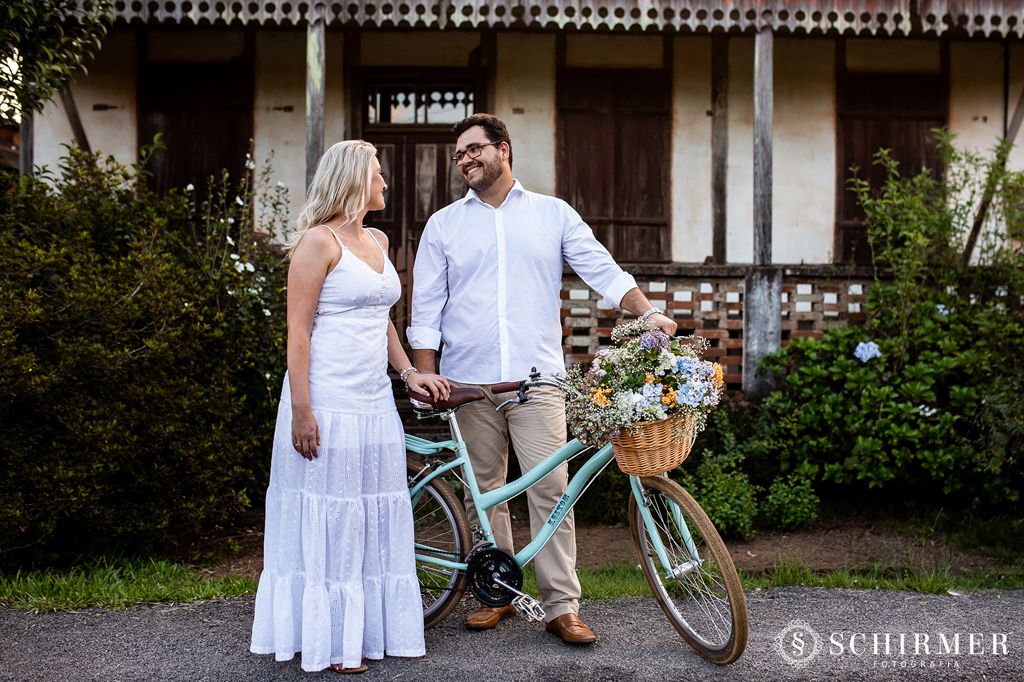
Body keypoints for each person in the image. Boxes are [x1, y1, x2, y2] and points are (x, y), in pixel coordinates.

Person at [407, 114, 676, 644]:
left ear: (503, 150)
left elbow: (602, 269)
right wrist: (427, 376)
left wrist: (647, 312)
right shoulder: (444, 225)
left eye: (474, 149)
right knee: (484, 492)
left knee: (552, 492)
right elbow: (426, 308)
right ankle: (497, 593)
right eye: (458, 154)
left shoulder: (552, 214)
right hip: (468, 381)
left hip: (538, 381)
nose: (464, 160)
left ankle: (560, 607)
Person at [250, 140, 450, 673]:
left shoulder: (379, 239)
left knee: (368, 514)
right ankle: (334, 642)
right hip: (326, 400)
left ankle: (363, 630)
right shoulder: (317, 243)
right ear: (355, 180)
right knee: (334, 513)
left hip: (374, 403)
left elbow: (380, 318)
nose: (385, 183)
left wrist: (408, 371)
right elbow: (297, 329)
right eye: (379, 175)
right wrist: (301, 408)